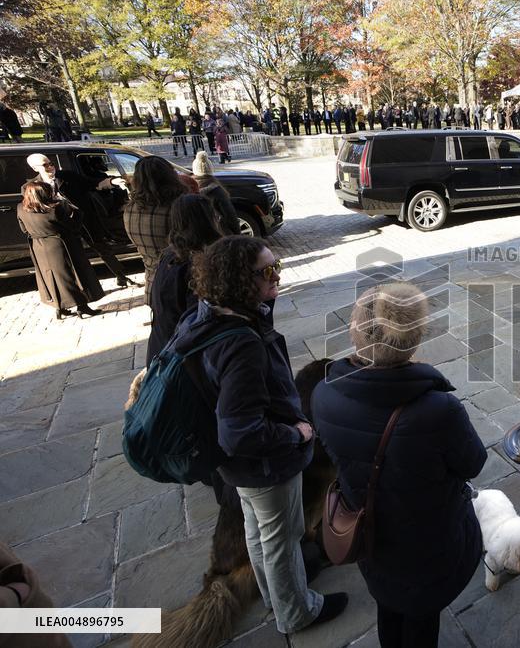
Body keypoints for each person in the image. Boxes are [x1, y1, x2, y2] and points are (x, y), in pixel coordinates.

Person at [172, 236, 348, 634]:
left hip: (237, 469)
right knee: (282, 544)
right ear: (238, 281)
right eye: (267, 272)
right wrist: (296, 432)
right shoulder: (242, 343)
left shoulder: (206, 316)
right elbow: (239, 432)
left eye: (277, 266)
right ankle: (297, 612)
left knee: (260, 534)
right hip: (264, 466)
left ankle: (273, 598)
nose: (277, 277)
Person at [311, 282, 487, 647]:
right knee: (421, 619)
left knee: (388, 603)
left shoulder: (324, 394)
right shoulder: (440, 409)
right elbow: (473, 463)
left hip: (371, 535)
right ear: (415, 339)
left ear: (354, 332)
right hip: (430, 545)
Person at [25, 153, 138, 288]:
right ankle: (79, 289)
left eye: (51, 163)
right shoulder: (31, 187)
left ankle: (121, 276)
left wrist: (112, 181)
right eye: (45, 165)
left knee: (102, 247)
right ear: (35, 168)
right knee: (71, 256)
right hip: (62, 226)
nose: (50, 167)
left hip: (84, 219)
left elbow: (91, 183)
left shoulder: (68, 176)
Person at [146, 194, 222, 364]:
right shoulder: (195, 264)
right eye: (214, 215)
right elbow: (200, 322)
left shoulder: (169, 256)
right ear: (206, 222)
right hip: (180, 359)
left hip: (161, 348)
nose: (218, 219)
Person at [17, 182, 104, 319]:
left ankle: (59, 307)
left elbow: (24, 229)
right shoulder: (54, 210)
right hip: (60, 245)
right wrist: (76, 212)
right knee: (73, 275)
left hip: (38, 247)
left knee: (50, 277)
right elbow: (73, 226)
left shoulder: (21, 208)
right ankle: (82, 306)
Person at [124, 155, 191, 303]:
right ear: (170, 176)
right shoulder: (177, 207)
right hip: (182, 289)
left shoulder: (130, 209)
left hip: (153, 286)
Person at [191, 151, 240, 234]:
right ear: (210, 169)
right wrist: (237, 234)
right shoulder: (217, 191)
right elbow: (230, 216)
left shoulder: (187, 190)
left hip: (196, 236)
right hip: (217, 235)